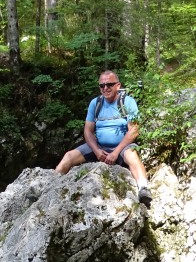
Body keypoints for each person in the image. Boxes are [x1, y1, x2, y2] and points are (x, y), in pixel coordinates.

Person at [55, 70, 153, 207]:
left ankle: (143, 189)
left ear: (118, 85)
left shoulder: (128, 102)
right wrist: (96, 150)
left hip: (123, 147)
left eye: (109, 84)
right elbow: (88, 131)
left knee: (132, 156)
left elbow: (134, 131)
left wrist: (116, 152)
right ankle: (51, 183)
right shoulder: (95, 104)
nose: (105, 88)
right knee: (69, 156)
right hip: (99, 146)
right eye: (102, 85)